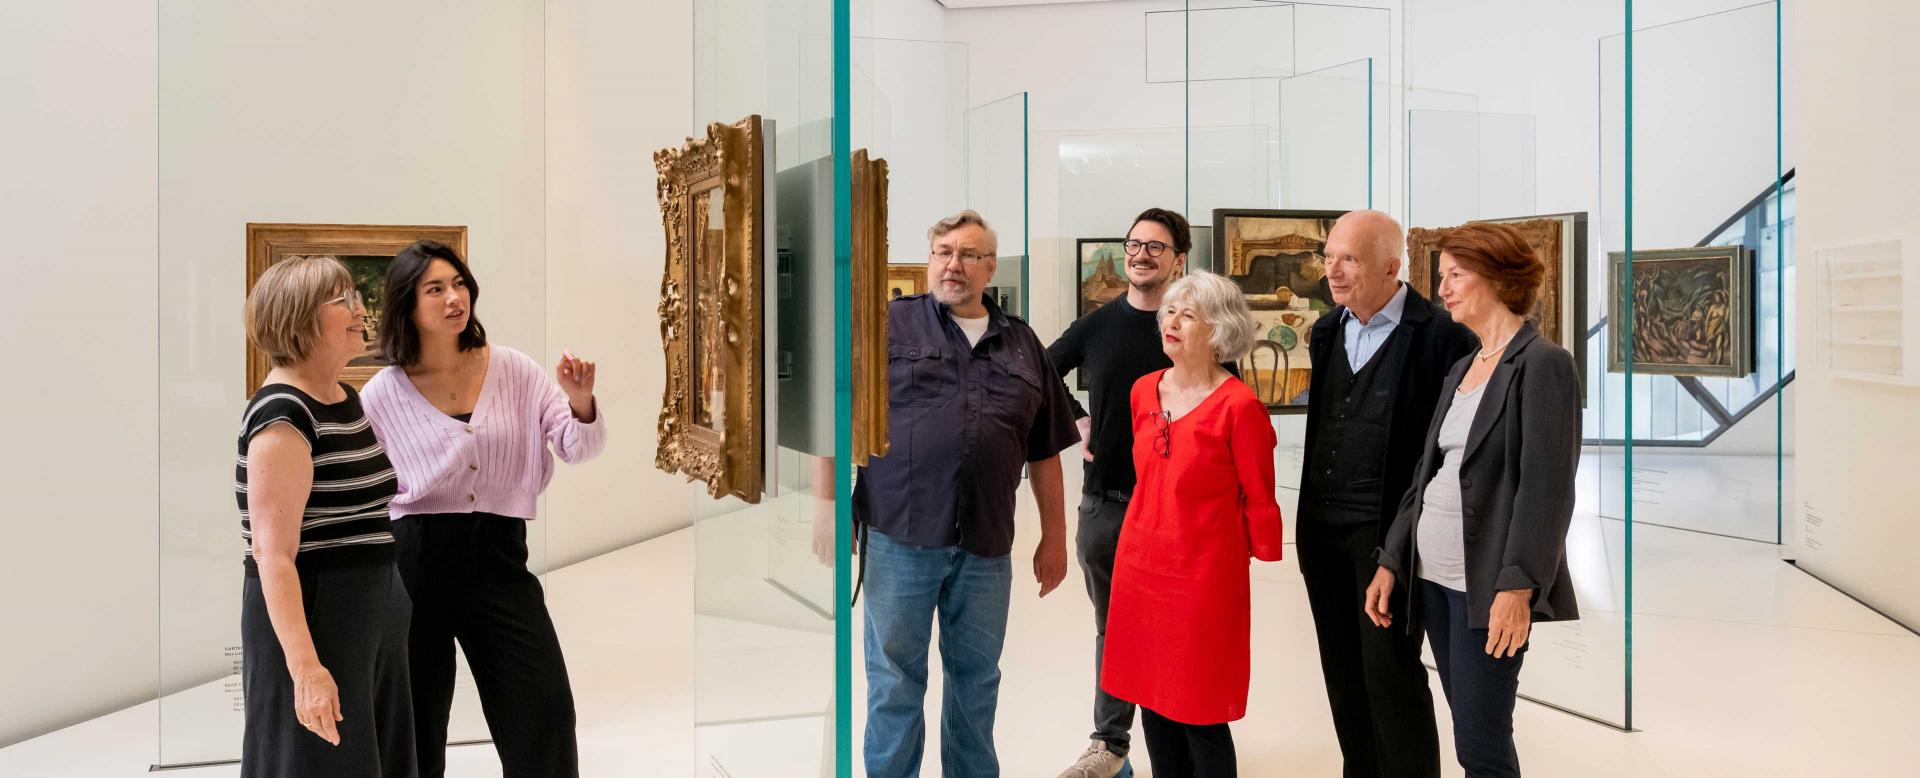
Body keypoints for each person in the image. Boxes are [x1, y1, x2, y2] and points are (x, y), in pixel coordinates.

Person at [359, 240, 606, 778]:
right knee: (417, 722)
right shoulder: (382, 393)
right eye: (435, 289)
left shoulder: (514, 370)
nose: (454, 297)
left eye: (460, 283)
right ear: (407, 304)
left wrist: (580, 402)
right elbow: (367, 489)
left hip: (497, 558)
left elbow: (577, 446)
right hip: (415, 562)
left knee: (542, 709)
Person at [855, 210, 1080, 777]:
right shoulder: (888, 326)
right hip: (899, 538)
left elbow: (1045, 449)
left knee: (977, 683)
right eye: (943, 251)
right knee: (894, 685)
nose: (953, 264)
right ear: (930, 260)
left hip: (985, 546)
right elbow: (835, 417)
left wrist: (1056, 537)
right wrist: (827, 512)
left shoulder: (1024, 344)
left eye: (968, 254)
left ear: (989, 268)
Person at [1365, 222, 1582, 778]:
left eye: (1456, 275)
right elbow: (1427, 473)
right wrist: (1393, 558)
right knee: (1467, 724)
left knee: (1481, 743)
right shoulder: (1465, 365)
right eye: (1442, 277)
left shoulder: (1543, 363)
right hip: (1432, 577)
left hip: (1487, 583)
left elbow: (1547, 489)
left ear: (1499, 278)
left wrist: (1519, 583)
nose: (1444, 290)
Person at [1048, 207, 1237, 778]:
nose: (1140, 254)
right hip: (1107, 503)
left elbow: (1231, 411)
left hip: (1180, 519)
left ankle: (1177, 744)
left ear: (1179, 259)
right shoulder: (1098, 325)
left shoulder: (1199, 333)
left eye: (1155, 247)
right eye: (1133, 244)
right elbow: (1036, 371)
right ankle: (1110, 744)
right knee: (1116, 629)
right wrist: (1075, 419)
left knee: (1176, 637)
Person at [1296, 210, 1476, 778]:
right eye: (1328, 257)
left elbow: (1447, 452)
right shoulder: (1326, 330)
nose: (1333, 270)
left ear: (1392, 266)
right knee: (1342, 671)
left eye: (1348, 258)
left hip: (1388, 539)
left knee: (1389, 672)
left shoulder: (1443, 338)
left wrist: (1401, 548)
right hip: (1322, 532)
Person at [1099, 271, 1284, 778]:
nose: (1171, 323)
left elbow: (1259, 494)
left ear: (1219, 329)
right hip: (1141, 564)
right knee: (1152, 696)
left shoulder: (1239, 406)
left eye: (1188, 314)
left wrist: (1257, 552)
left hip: (1204, 573)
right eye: (1169, 314)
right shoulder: (1142, 391)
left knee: (1199, 707)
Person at [236, 255, 416, 777]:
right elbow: (273, 555)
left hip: (368, 622)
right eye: (346, 301)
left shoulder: (343, 397)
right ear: (299, 317)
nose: (363, 311)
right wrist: (306, 670)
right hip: (319, 621)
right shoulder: (282, 415)